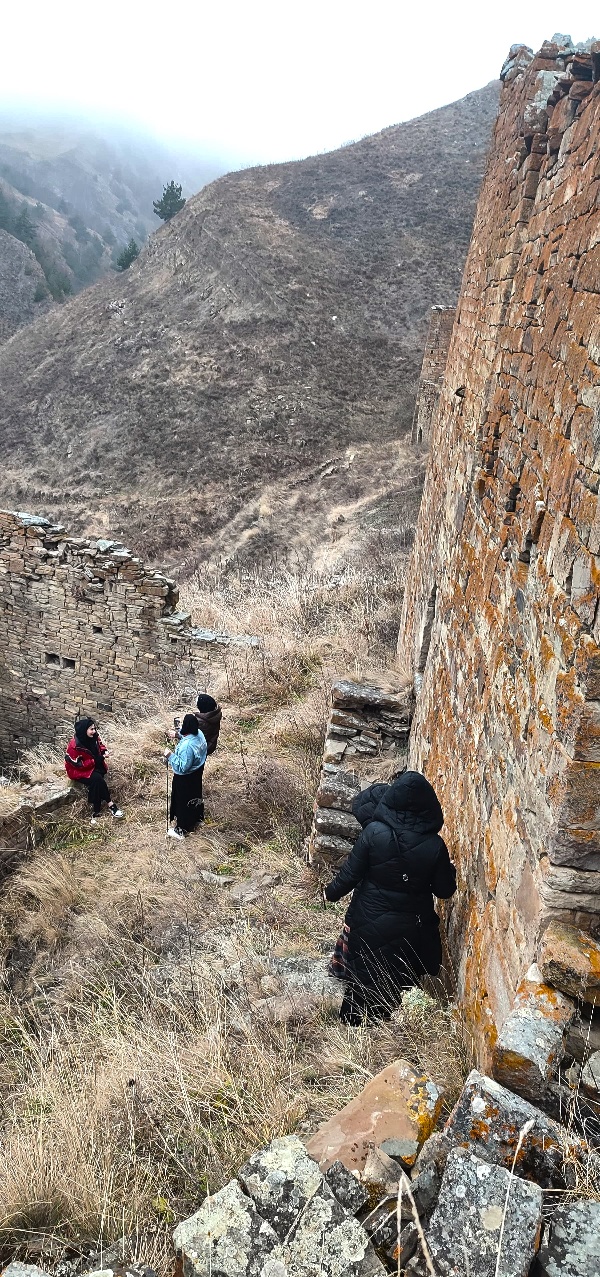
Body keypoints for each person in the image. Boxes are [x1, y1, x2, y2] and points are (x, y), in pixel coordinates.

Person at [324, 770, 456, 1026]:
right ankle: (388, 1029)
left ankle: (351, 1028)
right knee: (398, 976)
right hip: (411, 927)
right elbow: (444, 890)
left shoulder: (374, 832)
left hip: (368, 918)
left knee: (362, 974)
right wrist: (449, 870)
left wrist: (329, 893)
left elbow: (350, 873)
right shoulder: (435, 846)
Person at [64, 717, 123, 824]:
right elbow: (78, 765)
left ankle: (96, 812)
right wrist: (96, 760)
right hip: (78, 771)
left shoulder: (94, 737)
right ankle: (111, 805)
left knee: (97, 781)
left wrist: (104, 751)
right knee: (97, 779)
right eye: (91, 729)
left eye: (94, 729)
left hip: (94, 766)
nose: (94, 731)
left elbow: (100, 745)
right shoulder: (74, 746)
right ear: (84, 730)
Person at [165, 713, 207, 840]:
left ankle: (181, 830)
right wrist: (177, 735)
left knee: (182, 802)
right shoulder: (199, 733)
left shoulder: (187, 747)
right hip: (197, 772)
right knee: (195, 795)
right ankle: (197, 818)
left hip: (184, 778)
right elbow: (189, 737)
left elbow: (183, 767)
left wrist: (169, 755)